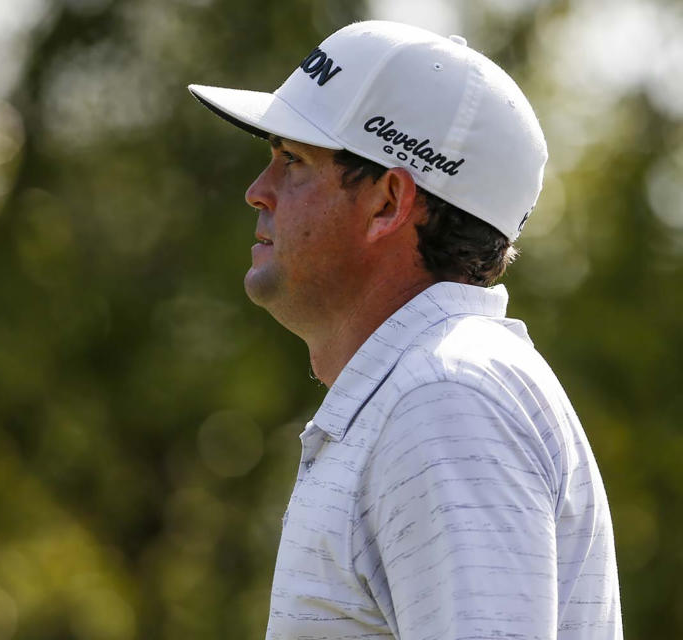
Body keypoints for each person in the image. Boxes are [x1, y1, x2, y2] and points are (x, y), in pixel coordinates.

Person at [187, 20, 622, 640]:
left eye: (294, 161)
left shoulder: (445, 400)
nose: (258, 191)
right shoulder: (430, 390)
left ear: (388, 203)